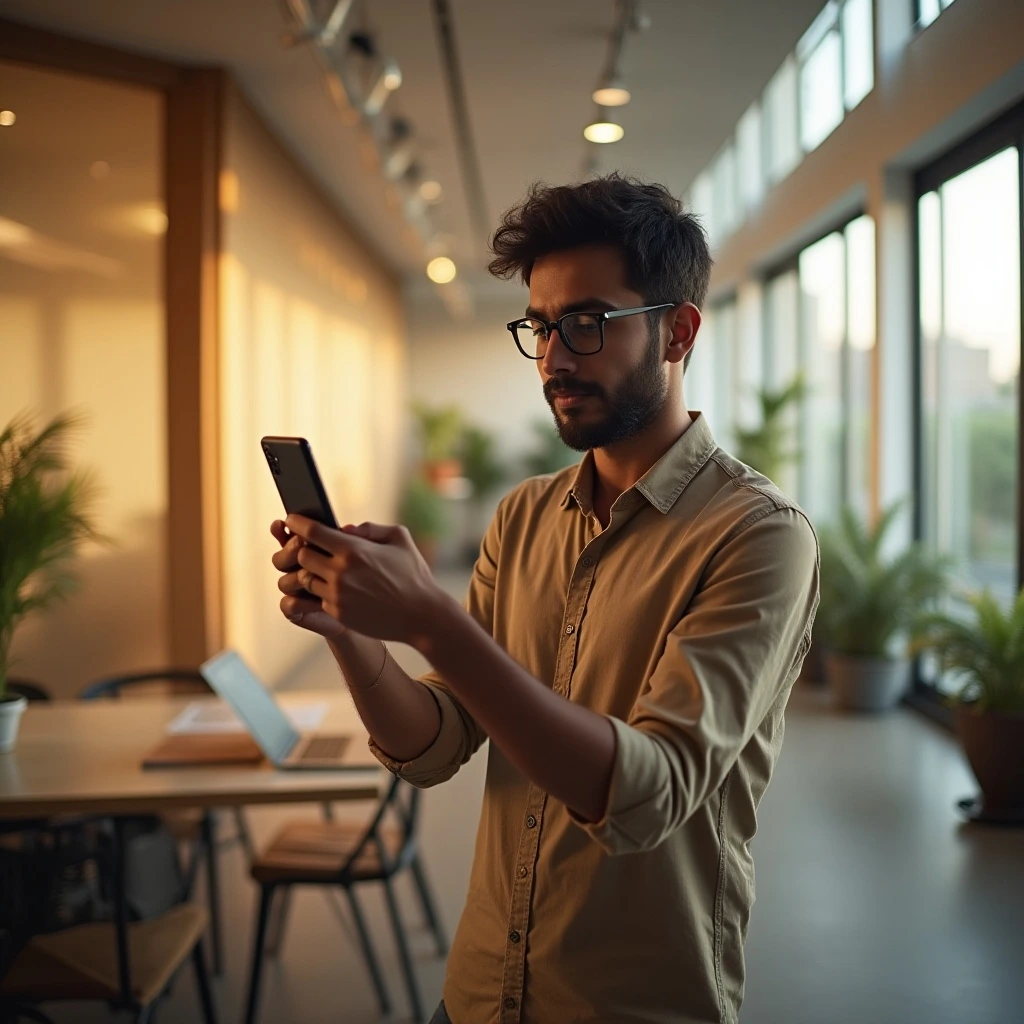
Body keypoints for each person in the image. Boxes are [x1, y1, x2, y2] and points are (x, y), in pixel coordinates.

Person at [270, 174, 819, 1024]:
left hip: (630, 1006)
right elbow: (434, 744)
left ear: (678, 331)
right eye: (540, 326)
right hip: (481, 991)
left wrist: (431, 619)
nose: (555, 356)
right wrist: (348, 628)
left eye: (587, 324)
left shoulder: (757, 537)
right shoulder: (523, 516)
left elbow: (648, 793)